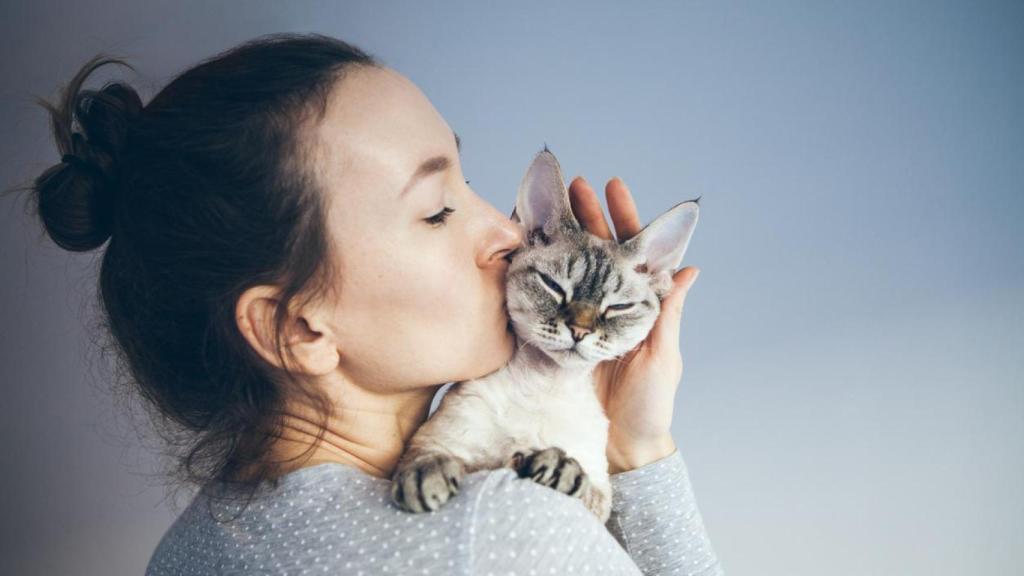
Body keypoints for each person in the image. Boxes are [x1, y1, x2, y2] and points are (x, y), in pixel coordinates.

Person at [25, 33, 723, 575]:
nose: (508, 232)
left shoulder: (184, 553)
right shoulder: (503, 535)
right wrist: (643, 453)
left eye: (469, 179)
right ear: (297, 327)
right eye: (437, 211)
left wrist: (607, 428)